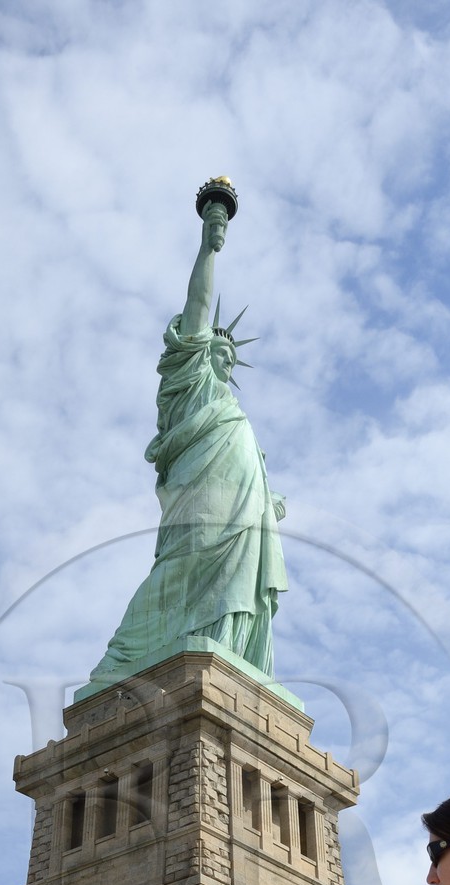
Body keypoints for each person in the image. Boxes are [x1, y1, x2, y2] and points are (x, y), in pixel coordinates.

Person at [87, 196, 288, 688]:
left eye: (229, 356)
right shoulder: (188, 385)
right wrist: (209, 249)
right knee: (180, 569)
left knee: (238, 581)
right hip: (199, 499)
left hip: (245, 506)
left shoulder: (233, 412)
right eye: (216, 349)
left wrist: (267, 498)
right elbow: (197, 310)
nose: (224, 358)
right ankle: (124, 659)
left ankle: (228, 652)